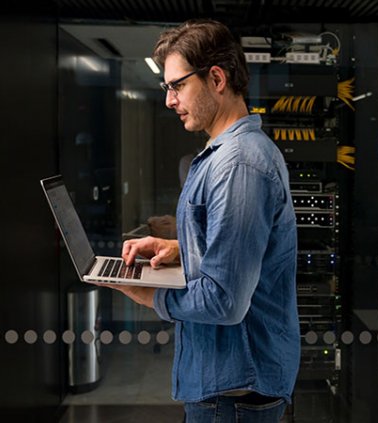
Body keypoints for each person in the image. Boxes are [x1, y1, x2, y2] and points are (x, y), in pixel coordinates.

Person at [103, 19, 300, 422]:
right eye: (167, 88)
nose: (169, 100)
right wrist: (177, 249)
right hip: (230, 383)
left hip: (235, 390)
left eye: (177, 86)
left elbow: (225, 302)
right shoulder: (228, 153)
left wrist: (148, 295)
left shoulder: (239, 165)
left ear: (216, 78)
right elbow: (243, 252)